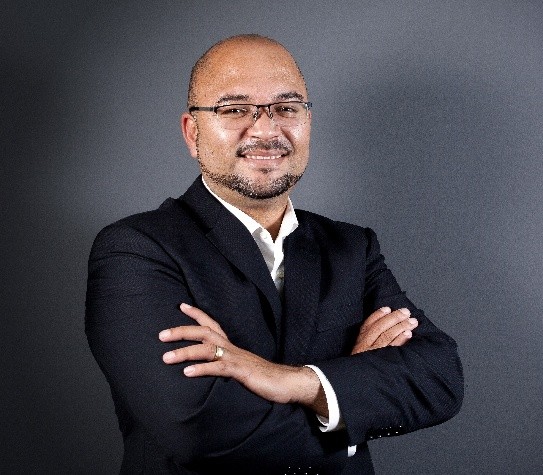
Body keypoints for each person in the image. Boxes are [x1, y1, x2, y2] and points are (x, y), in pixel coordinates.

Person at [85, 34, 463, 474]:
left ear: (308, 122)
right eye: (234, 109)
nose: (266, 131)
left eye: (286, 108)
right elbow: (200, 429)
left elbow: (441, 379)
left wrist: (292, 381)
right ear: (193, 132)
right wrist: (347, 398)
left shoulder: (351, 248)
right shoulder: (137, 251)